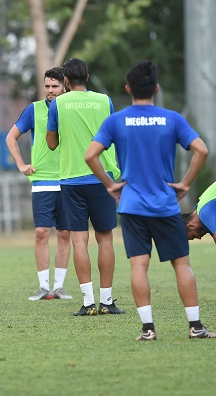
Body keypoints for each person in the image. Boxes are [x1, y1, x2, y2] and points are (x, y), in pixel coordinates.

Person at [85, 60, 214, 340]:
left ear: (128, 88)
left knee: (138, 266)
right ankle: (196, 327)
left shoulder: (116, 120)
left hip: (131, 205)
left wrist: (110, 185)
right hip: (165, 204)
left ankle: (147, 329)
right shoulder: (172, 118)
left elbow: (90, 156)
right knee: (181, 264)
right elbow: (201, 150)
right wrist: (186, 184)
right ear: (156, 88)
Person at [46, 58, 125, 316]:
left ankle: (88, 303)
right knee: (105, 239)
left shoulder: (58, 103)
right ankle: (108, 301)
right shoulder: (104, 101)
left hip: (71, 180)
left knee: (79, 240)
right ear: (88, 76)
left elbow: (51, 144)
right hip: (102, 177)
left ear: (66, 81)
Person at [6, 67, 72, 301]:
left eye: (55, 86)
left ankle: (59, 287)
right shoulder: (33, 109)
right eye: (47, 86)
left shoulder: (71, 108)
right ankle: (43, 287)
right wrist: (21, 164)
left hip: (68, 179)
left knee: (65, 234)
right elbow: (10, 137)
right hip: (43, 180)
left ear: (65, 85)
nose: (50, 91)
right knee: (42, 232)